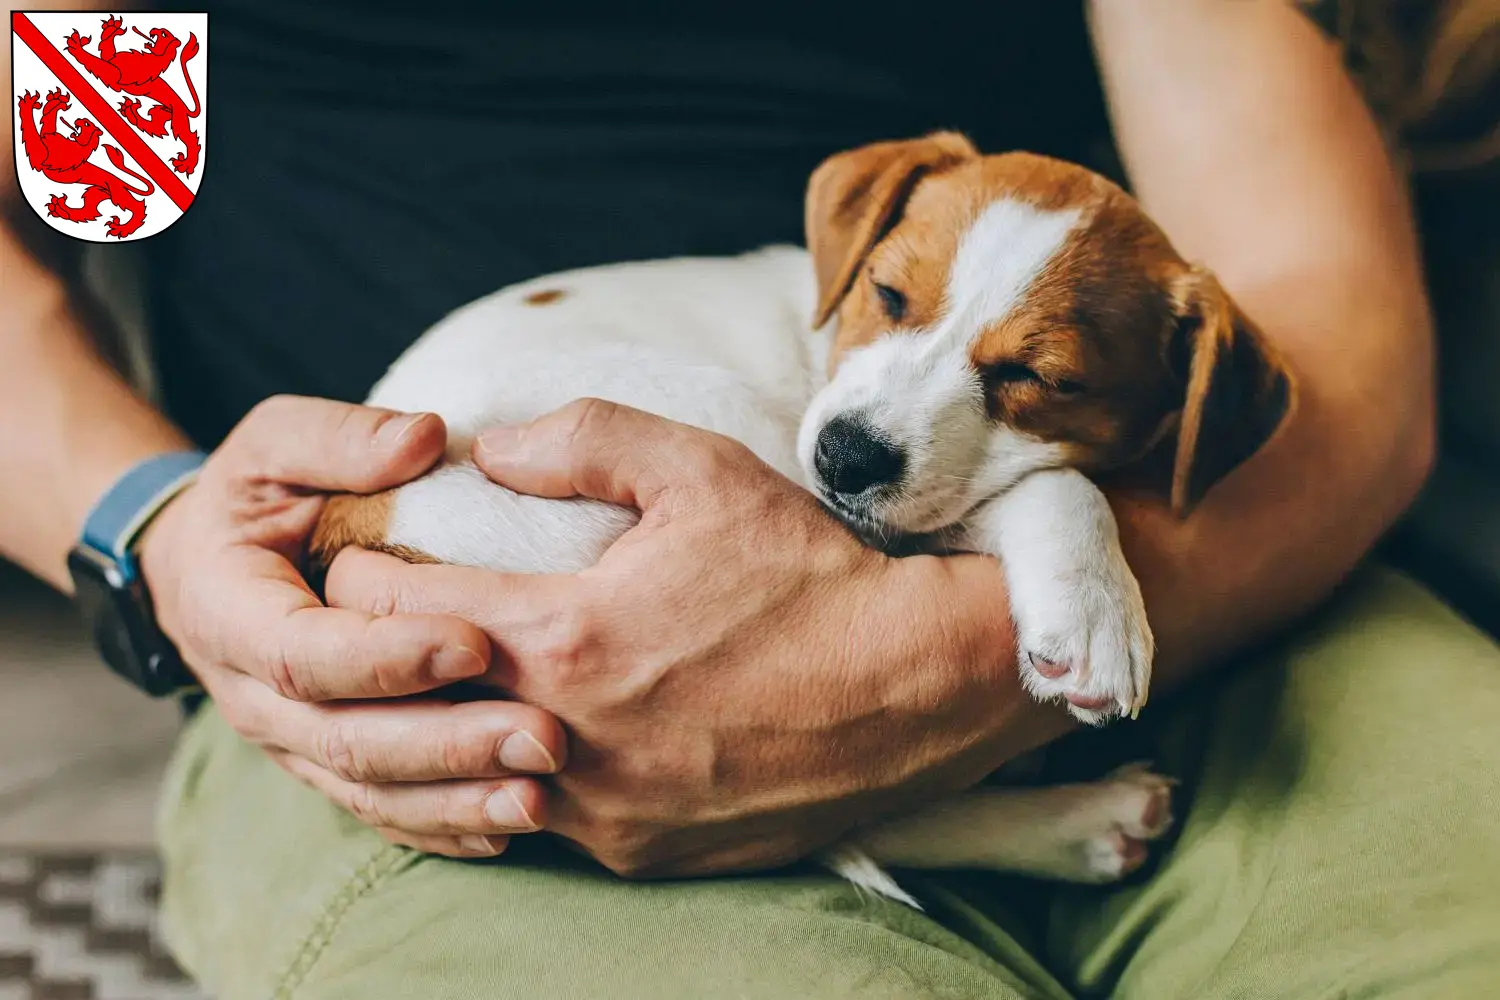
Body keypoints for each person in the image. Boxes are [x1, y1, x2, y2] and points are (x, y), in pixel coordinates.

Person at [3, 1, 1497, 997]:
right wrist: (153, 519)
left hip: (1214, 587)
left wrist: (949, 651)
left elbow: (1322, 302)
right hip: (391, 659)